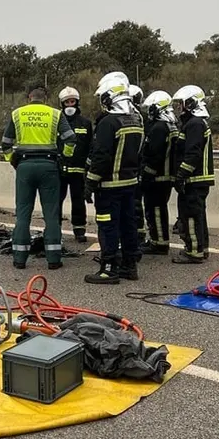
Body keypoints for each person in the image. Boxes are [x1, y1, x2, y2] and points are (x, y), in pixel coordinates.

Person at [1, 85, 77, 270]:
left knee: (23, 214)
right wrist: (64, 156)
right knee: (51, 213)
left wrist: (13, 160)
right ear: (45, 98)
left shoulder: (18, 113)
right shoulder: (55, 114)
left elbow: (6, 143)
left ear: (29, 97)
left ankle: (19, 258)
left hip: (25, 167)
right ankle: (53, 259)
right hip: (49, 167)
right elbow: (71, 138)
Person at [83, 72, 144, 284]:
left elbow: (101, 156)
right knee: (128, 225)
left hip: (108, 186)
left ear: (110, 97)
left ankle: (108, 269)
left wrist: (90, 182)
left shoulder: (109, 122)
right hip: (130, 184)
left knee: (107, 226)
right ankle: (130, 266)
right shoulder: (136, 120)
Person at [171, 84, 214, 264]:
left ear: (191, 103)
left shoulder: (195, 124)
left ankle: (193, 251)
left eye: (182, 104)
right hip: (199, 180)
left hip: (194, 180)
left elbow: (192, 153)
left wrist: (181, 174)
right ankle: (202, 248)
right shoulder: (196, 123)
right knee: (198, 216)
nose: (179, 108)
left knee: (190, 215)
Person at [138, 90, 179, 255]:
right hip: (166, 176)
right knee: (159, 209)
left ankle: (159, 243)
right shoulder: (171, 125)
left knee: (155, 209)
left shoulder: (159, 128)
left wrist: (146, 175)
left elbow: (154, 154)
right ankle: (158, 240)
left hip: (157, 177)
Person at [56, 87, 92, 243]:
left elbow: (91, 145)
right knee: (56, 200)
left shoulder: (85, 123)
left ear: (77, 102)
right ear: (62, 104)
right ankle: (54, 228)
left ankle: (79, 229)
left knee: (78, 201)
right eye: (67, 102)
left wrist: (88, 165)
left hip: (78, 170)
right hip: (59, 169)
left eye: (72, 101)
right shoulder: (56, 121)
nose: (70, 105)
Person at [128, 84, 148, 249]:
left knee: (135, 202)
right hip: (138, 165)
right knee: (136, 203)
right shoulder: (141, 117)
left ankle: (138, 234)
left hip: (135, 166)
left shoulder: (135, 118)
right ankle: (139, 233)